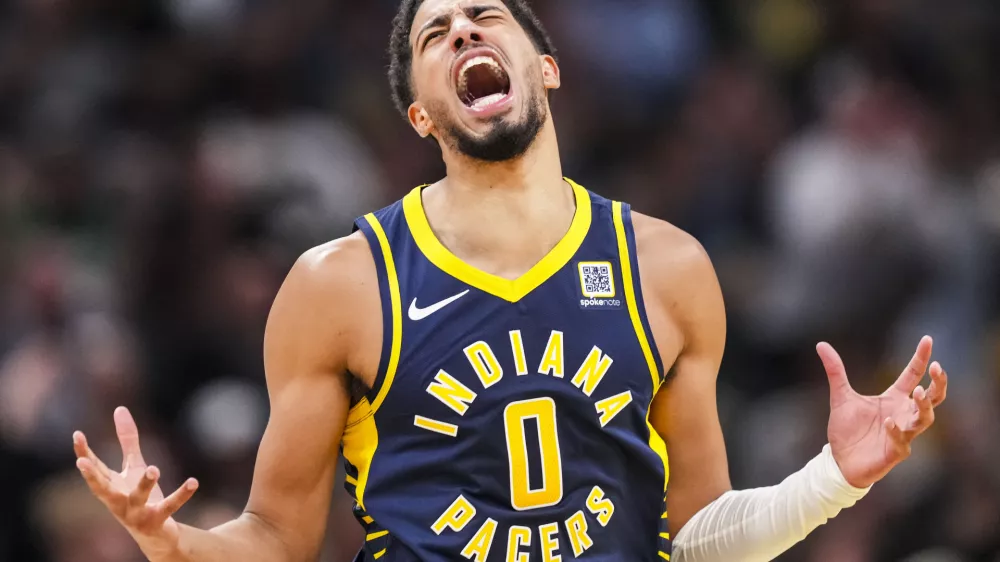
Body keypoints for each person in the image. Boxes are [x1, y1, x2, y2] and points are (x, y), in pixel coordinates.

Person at [72, 1, 949, 560]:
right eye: (434, 34)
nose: (462, 30)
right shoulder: (340, 286)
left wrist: (835, 478)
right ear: (421, 112)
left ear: (546, 65)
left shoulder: (669, 267)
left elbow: (693, 539)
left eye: (486, 15)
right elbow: (274, 536)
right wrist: (171, 543)